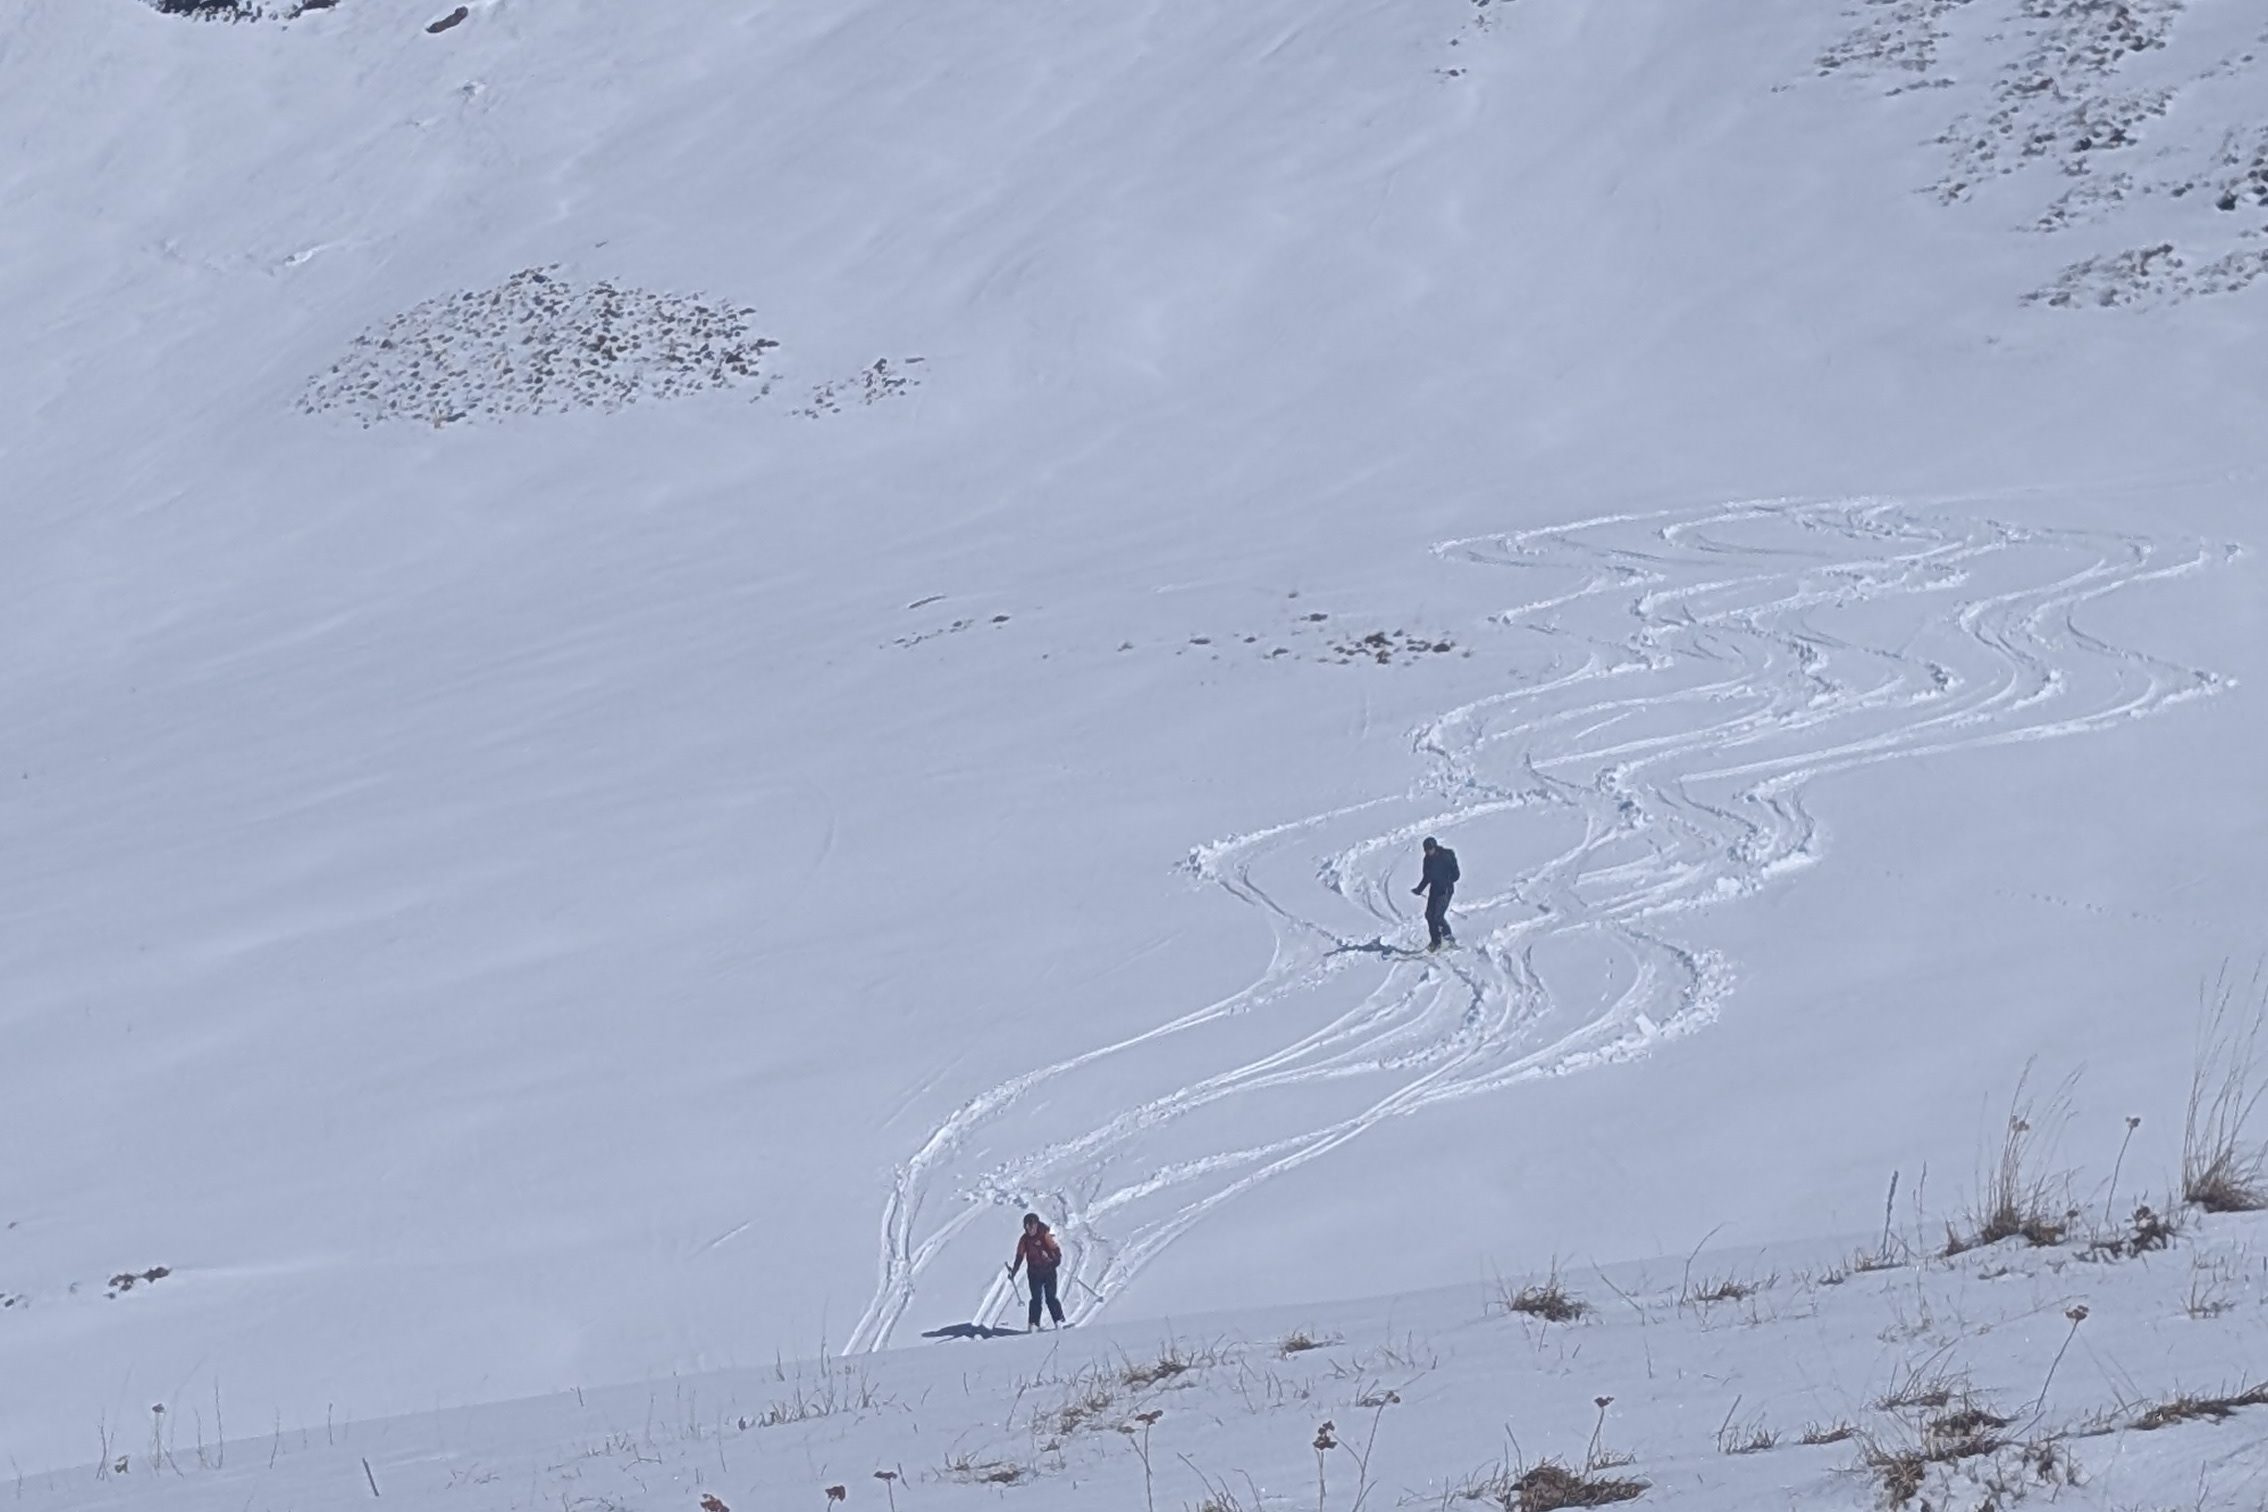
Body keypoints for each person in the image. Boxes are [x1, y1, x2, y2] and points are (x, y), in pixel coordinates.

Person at [1006, 1212, 1065, 1330]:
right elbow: (1019, 1256)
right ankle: (1033, 1324)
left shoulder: (1045, 1235)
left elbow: (1057, 1252)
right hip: (1034, 1273)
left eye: (1031, 1225)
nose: (1028, 1229)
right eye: (1026, 1226)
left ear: (1036, 1225)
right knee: (1036, 1299)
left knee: (1050, 1298)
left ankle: (1059, 1320)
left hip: (1049, 1271)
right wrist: (1014, 1272)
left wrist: (1053, 1260)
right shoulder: (1024, 1239)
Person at [1411, 836, 1459, 950]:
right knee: (1429, 915)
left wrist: (1447, 880)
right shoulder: (1427, 860)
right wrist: (1419, 889)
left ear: (1435, 847)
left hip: (1445, 890)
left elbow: (1456, 875)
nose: (1428, 852)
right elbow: (1427, 877)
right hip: (1435, 890)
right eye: (1426, 850)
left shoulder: (1446, 856)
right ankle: (1435, 941)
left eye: (1430, 849)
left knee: (1437, 916)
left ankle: (1448, 937)